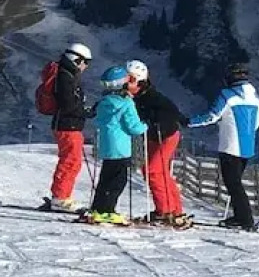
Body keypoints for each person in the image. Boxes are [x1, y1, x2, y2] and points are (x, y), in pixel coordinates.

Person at [188, 63, 259, 231]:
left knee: (233, 184)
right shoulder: (256, 98)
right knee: (235, 183)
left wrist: (188, 122)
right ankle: (239, 216)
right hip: (247, 148)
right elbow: (257, 124)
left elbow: (211, 116)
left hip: (230, 146)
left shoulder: (227, 95)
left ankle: (245, 219)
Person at [127, 60, 191, 228]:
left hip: (166, 135)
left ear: (140, 81)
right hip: (155, 136)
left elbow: (171, 112)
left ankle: (165, 210)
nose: (125, 82)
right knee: (157, 171)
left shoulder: (152, 97)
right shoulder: (137, 96)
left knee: (153, 171)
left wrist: (158, 123)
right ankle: (175, 209)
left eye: (130, 79)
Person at [84, 64, 147, 225]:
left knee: (106, 179)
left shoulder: (103, 102)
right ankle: (107, 210)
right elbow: (133, 128)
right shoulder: (126, 103)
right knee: (118, 181)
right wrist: (145, 125)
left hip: (106, 146)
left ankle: (97, 208)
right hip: (121, 148)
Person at [46, 42, 94, 212]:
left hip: (68, 124)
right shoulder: (65, 76)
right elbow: (68, 104)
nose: (86, 66)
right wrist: (85, 112)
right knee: (70, 161)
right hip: (68, 125)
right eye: (85, 62)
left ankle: (60, 195)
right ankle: (61, 197)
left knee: (71, 161)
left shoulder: (66, 74)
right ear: (76, 59)